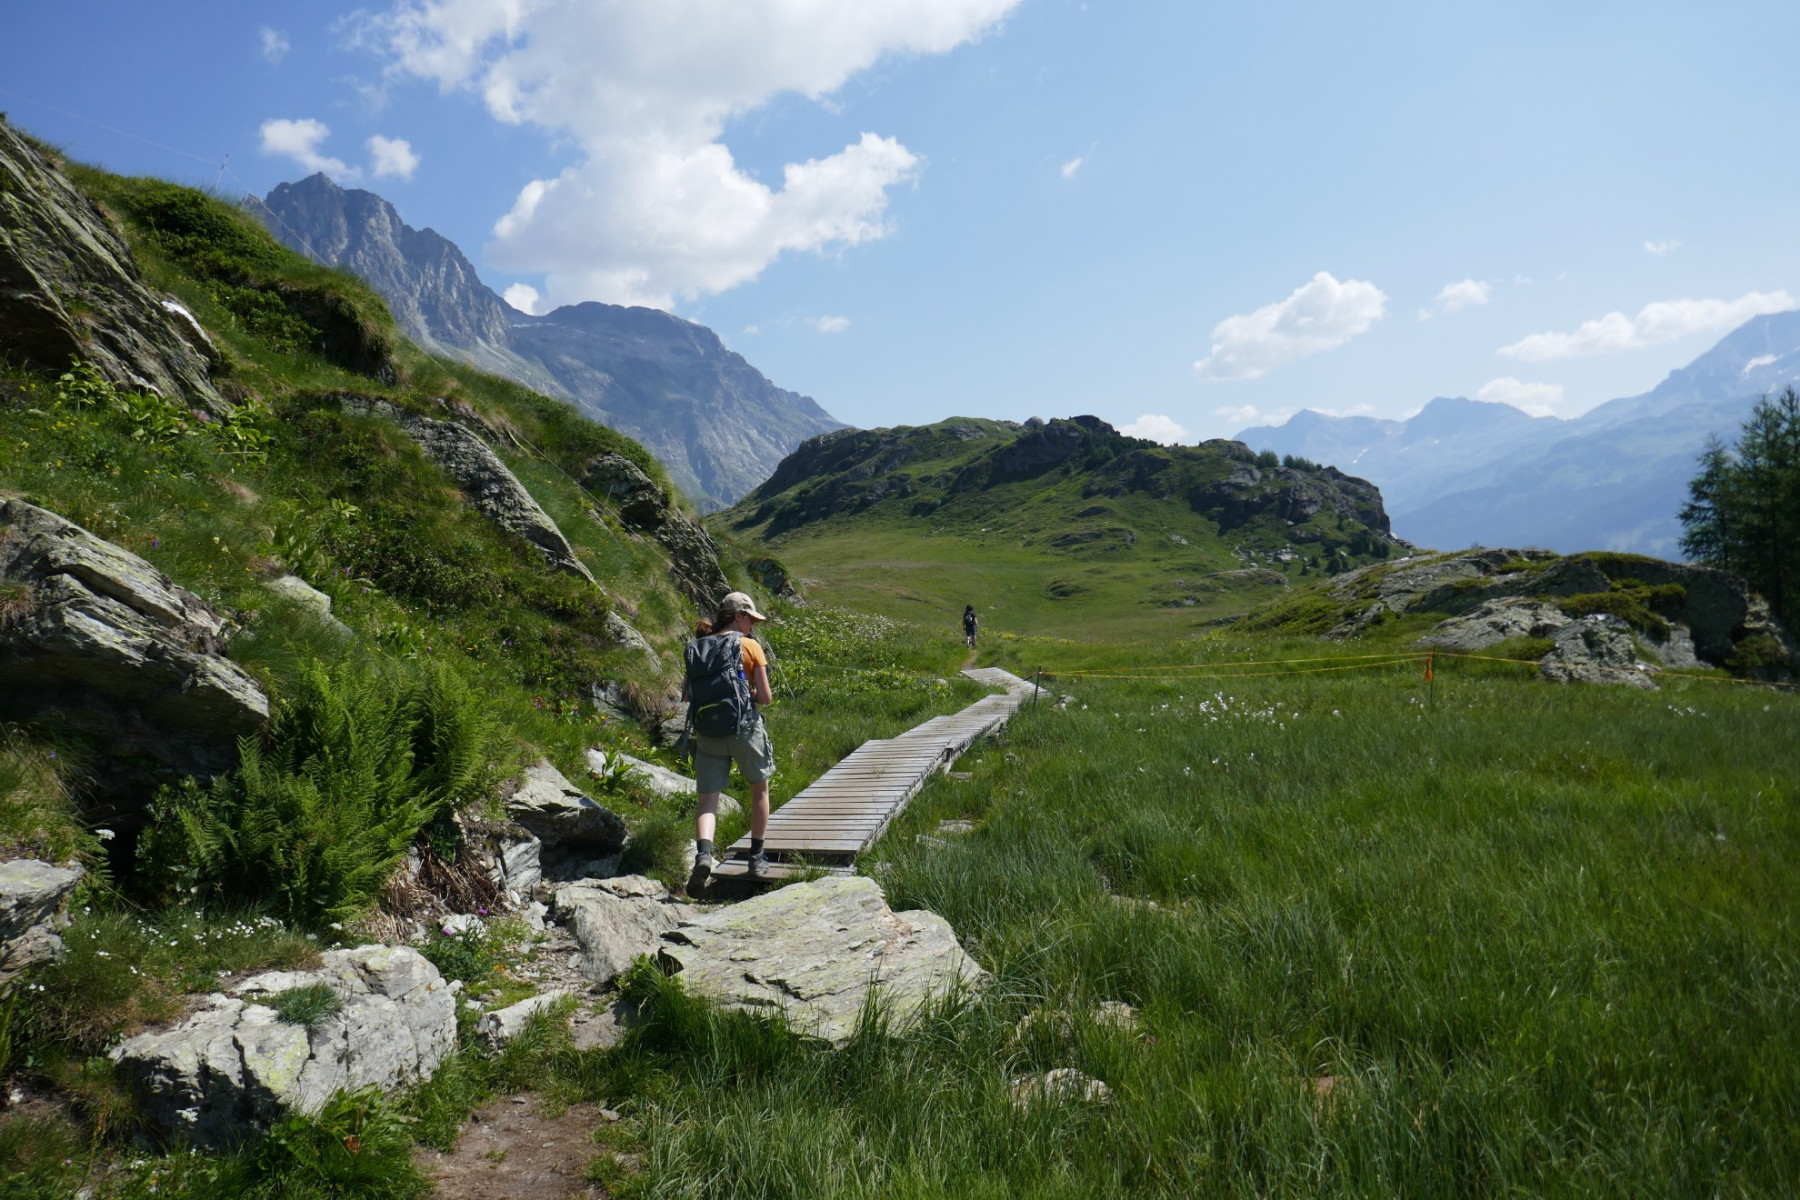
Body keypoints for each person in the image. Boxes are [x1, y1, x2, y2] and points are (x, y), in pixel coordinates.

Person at [684, 591, 775, 885]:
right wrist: (747, 693)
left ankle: (704, 856)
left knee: (707, 801)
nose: (753, 625)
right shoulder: (750, 646)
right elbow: (765, 697)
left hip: (709, 732)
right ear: (738, 616)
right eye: (750, 618)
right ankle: (757, 857)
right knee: (759, 791)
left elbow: (687, 695)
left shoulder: (699, 647)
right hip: (744, 729)